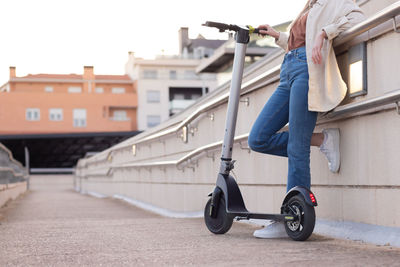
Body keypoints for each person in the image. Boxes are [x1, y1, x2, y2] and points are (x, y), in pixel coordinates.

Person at [247, 0, 365, 238]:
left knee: (297, 148)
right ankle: (322, 140)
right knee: (257, 138)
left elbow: (358, 18)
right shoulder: (310, 5)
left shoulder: (335, 2)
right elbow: (300, 40)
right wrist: (277, 36)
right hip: (288, 70)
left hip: (306, 71)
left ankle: (292, 218)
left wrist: (325, 33)